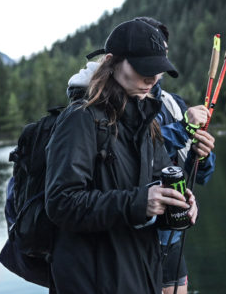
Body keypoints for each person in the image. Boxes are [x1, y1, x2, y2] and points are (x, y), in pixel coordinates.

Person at [45, 19, 198, 294]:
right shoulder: (80, 119)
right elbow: (61, 203)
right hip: (91, 280)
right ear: (112, 62)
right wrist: (139, 203)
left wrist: (179, 205)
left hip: (141, 276)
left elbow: (157, 190)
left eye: (157, 70)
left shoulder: (147, 125)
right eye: (143, 69)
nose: (152, 79)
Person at [133, 17, 216, 294]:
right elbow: (137, 152)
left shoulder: (173, 103)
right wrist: (183, 129)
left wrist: (201, 155)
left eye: (164, 51)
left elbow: (200, 176)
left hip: (171, 235)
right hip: (130, 239)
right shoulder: (122, 103)